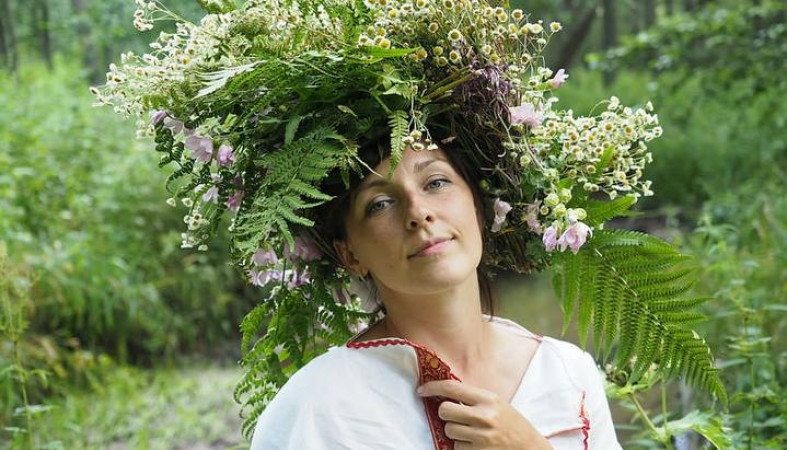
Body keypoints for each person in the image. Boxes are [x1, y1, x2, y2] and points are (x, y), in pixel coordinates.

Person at [249, 140, 622, 449]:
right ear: (350, 254)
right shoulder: (316, 408)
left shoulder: (568, 372)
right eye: (380, 203)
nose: (419, 213)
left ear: (477, 209)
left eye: (436, 182)